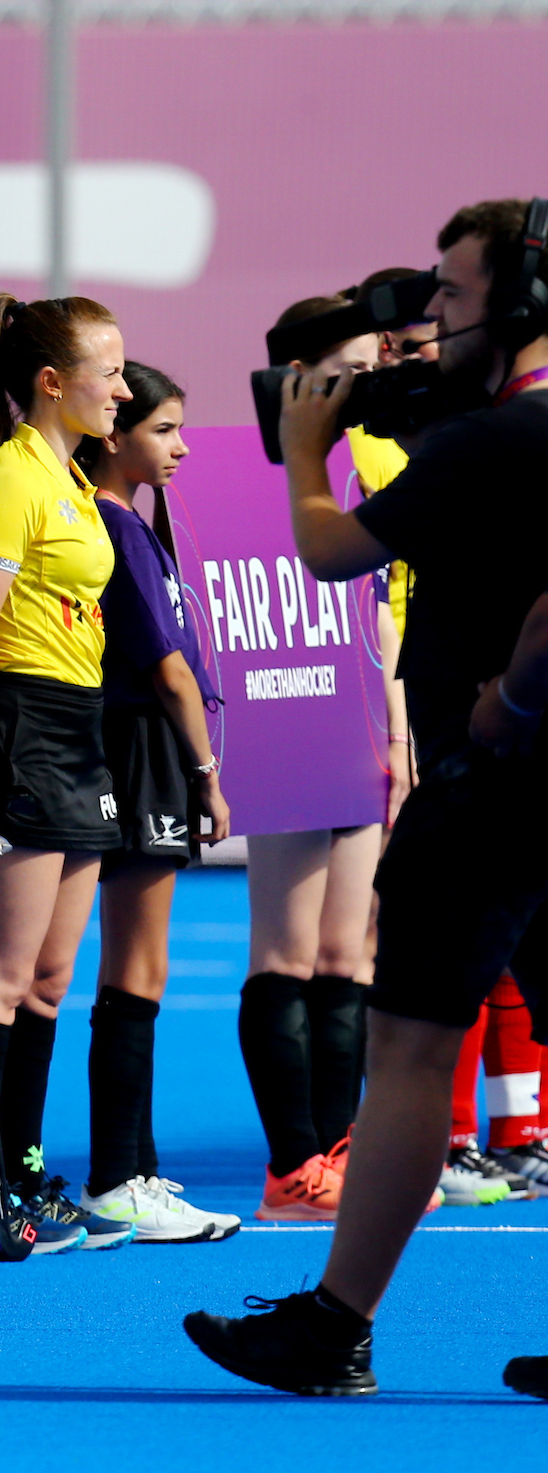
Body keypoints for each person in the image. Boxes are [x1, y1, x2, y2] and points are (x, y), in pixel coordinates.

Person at [187, 197, 548, 1398]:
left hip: (493, 787)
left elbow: (335, 549)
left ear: (522, 301)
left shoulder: (501, 443)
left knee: (405, 1049)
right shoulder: (494, 431)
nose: (431, 319)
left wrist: (301, 452)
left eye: (451, 294)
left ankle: (335, 1325)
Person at [0, 291, 135, 1253]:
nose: (125, 389)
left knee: (54, 979)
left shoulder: (74, 479)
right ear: (52, 383)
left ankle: (23, 1170)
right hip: (19, 725)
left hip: (80, 724)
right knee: (3, 980)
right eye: (110, 372)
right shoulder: (10, 482)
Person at [233, 298, 416, 1220]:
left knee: (351, 952)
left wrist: (395, 730)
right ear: (302, 374)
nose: (375, 371)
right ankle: (291, 1163)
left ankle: (338, 1154)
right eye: (356, 360)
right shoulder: (240, 472)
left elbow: (381, 604)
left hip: (358, 719)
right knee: (287, 950)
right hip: (283, 718)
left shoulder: (377, 459)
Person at [71, 361, 240, 1242]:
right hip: (139, 752)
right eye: (163, 429)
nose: (179, 447)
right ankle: (115, 1177)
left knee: (141, 969)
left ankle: (130, 1168)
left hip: (144, 753)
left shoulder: (129, 523)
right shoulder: (112, 524)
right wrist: (207, 770)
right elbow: (168, 667)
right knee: (134, 969)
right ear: (115, 435)